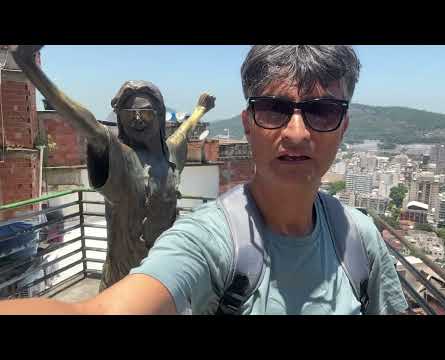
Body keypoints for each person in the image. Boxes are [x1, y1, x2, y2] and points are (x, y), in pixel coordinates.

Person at [0, 45, 408, 315]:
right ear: (248, 124)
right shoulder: (211, 238)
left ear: (344, 125)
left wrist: (198, 109)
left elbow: (186, 131)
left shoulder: (360, 239)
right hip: (129, 271)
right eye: (273, 109)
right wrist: (33, 71)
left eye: (321, 111)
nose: (297, 133)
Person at [8, 45, 215, 292]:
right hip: (120, 286)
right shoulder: (119, 157)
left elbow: (186, 128)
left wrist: (201, 109)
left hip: (166, 281)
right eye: (130, 114)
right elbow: (85, 122)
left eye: (146, 113)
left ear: (159, 116)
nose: (137, 119)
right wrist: (28, 64)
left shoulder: (171, 153)